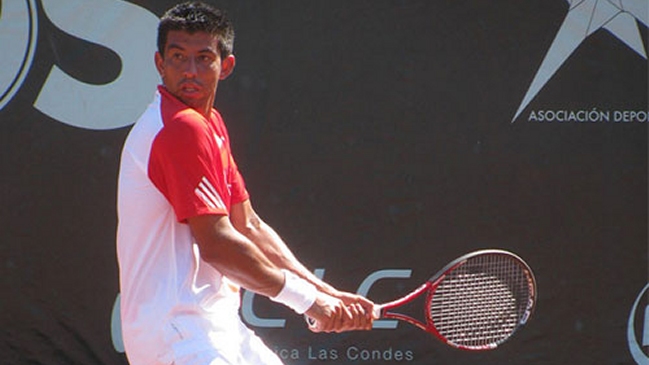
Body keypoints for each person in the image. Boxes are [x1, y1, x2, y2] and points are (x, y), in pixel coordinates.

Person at [116, 2, 375, 365]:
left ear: (226, 66)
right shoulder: (179, 129)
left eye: (204, 58)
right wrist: (308, 301)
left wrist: (326, 292)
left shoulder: (209, 125)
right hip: (179, 336)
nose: (190, 71)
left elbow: (248, 225)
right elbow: (219, 244)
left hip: (213, 327)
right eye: (178, 57)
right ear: (160, 64)